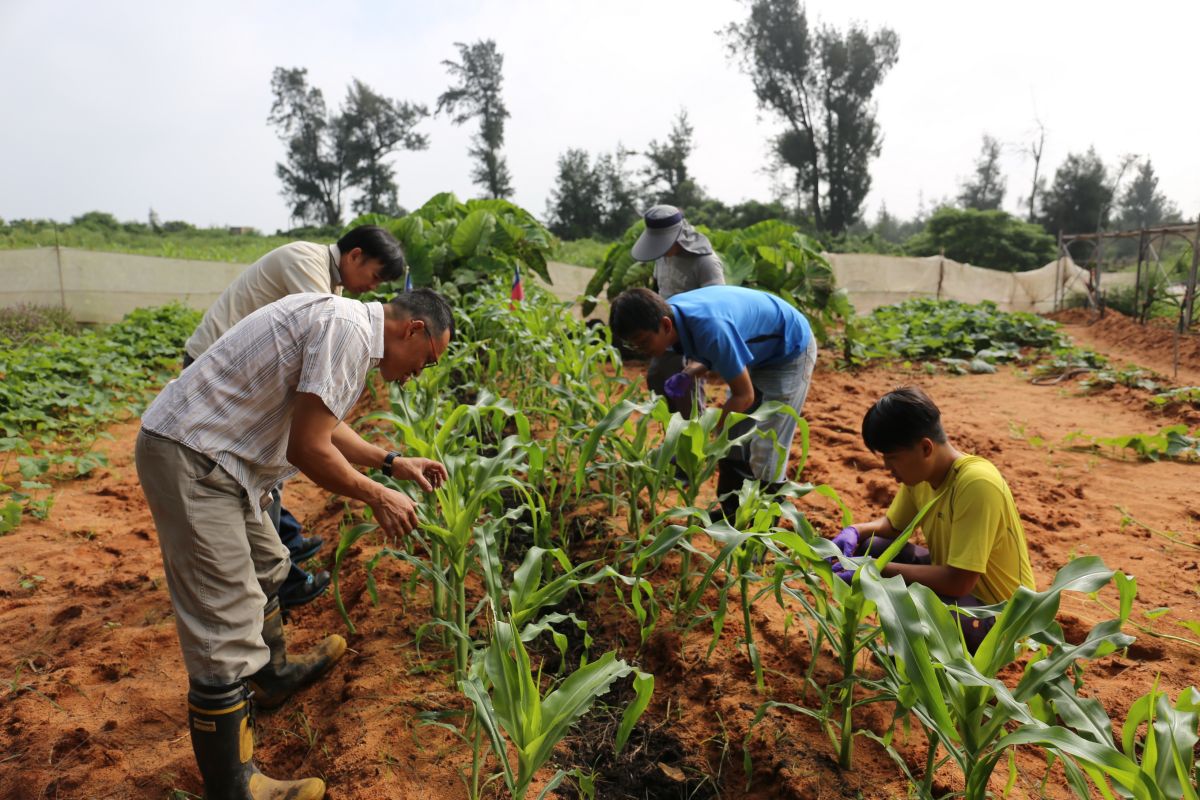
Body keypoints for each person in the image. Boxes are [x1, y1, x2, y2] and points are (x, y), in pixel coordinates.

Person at [135, 288, 453, 798]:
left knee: (269, 563)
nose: (423, 371)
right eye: (429, 358)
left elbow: (324, 424)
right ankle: (234, 785)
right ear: (413, 329)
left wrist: (391, 462)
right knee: (223, 619)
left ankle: (273, 676)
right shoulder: (347, 332)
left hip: (229, 461)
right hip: (194, 457)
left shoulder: (349, 328)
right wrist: (378, 495)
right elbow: (307, 448)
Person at [184, 225, 407, 610]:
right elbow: (324, 347)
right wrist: (378, 485)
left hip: (245, 373)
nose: (373, 288)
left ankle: (280, 550)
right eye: (374, 276)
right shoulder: (307, 266)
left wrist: (387, 462)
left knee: (268, 462)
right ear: (354, 256)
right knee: (259, 462)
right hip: (217, 370)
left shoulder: (329, 281)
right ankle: (277, 572)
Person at [830, 386, 1036, 653]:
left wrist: (873, 569)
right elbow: (892, 527)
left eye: (892, 458)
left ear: (926, 448)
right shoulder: (921, 477)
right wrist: (855, 531)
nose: (887, 468)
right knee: (869, 546)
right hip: (961, 593)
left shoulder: (976, 483)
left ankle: (921, 655)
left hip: (997, 615)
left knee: (915, 599)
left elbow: (958, 581)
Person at [608, 285, 817, 519]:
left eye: (644, 342)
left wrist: (712, 437)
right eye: (633, 345)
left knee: (767, 447)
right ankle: (732, 510)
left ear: (665, 325)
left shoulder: (709, 327)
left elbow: (743, 395)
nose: (641, 350)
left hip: (789, 351)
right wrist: (690, 373)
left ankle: (764, 526)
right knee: (735, 435)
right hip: (758, 351)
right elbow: (714, 350)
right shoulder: (675, 316)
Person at [630, 205, 725, 417]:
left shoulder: (706, 262)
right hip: (665, 333)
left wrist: (699, 358)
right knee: (657, 380)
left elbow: (717, 307)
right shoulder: (661, 256)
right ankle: (672, 437)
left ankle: (693, 440)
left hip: (692, 337)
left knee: (687, 396)